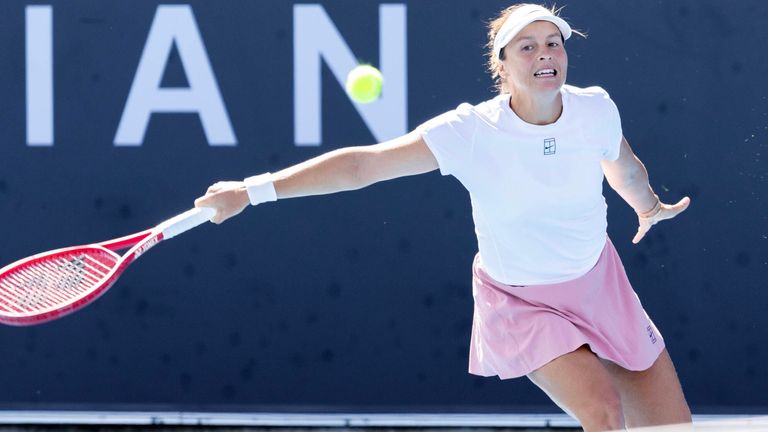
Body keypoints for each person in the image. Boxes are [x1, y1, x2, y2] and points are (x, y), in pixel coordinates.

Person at [195, 4, 692, 431]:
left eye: (553, 43)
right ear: (501, 64)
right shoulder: (471, 130)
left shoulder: (596, 108)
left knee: (671, 427)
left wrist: (648, 206)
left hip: (600, 284)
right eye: (527, 46)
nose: (545, 54)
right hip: (522, 301)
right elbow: (362, 165)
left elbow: (623, 165)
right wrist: (252, 191)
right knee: (603, 414)